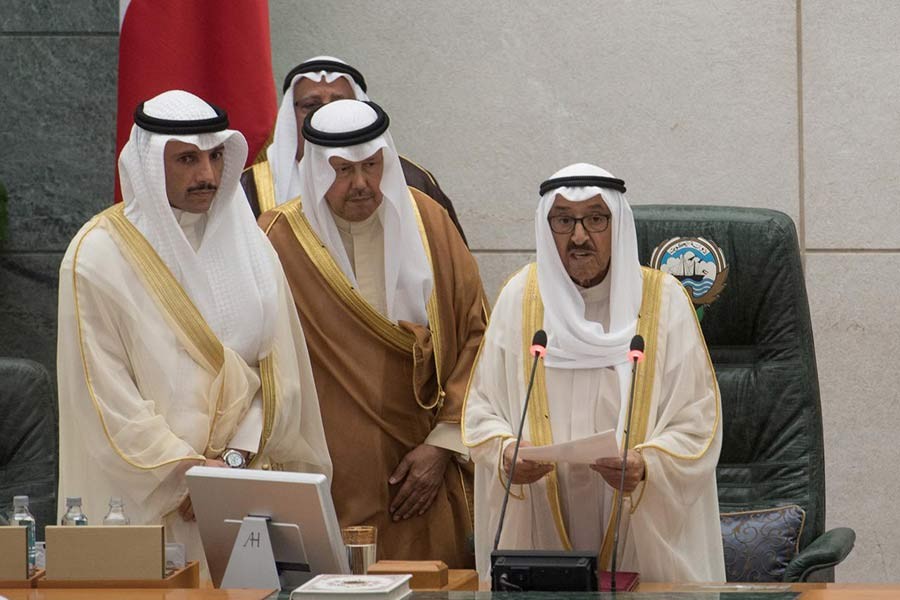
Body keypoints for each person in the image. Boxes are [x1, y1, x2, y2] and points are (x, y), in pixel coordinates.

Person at [57, 90, 331, 570]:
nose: (207, 174)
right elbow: (105, 396)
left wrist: (231, 466)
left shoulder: (251, 248)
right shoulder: (98, 256)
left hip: (242, 495)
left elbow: (278, 373)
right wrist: (188, 476)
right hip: (150, 502)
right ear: (147, 163)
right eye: (186, 159)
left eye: (215, 156)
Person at [463, 163, 725, 582]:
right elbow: (480, 413)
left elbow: (698, 423)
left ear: (617, 225)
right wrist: (505, 453)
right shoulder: (521, 298)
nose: (580, 236)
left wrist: (648, 465)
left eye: (596, 219)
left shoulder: (663, 301)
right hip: (541, 518)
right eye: (564, 220)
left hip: (638, 528)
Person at [259, 99, 486, 567]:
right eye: (342, 170)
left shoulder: (429, 224)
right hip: (326, 480)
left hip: (422, 479)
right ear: (318, 170)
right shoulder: (277, 240)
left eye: (372, 166)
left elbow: (478, 335)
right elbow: (252, 360)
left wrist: (444, 445)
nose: (361, 184)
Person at [242, 55, 467, 243]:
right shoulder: (250, 186)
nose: (325, 114)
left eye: (340, 104)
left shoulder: (413, 180)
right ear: (290, 116)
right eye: (311, 106)